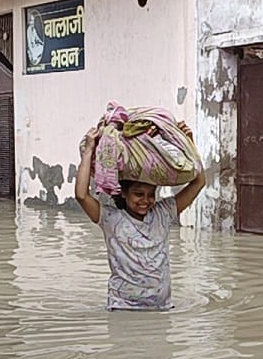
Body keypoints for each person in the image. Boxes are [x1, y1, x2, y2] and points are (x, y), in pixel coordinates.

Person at [75, 122, 205, 311]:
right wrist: (88, 152)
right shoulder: (110, 219)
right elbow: (81, 195)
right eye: (138, 194)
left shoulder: (163, 213)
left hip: (162, 308)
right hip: (123, 308)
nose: (146, 200)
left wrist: (188, 144)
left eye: (151, 194)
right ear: (124, 193)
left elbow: (199, 182)